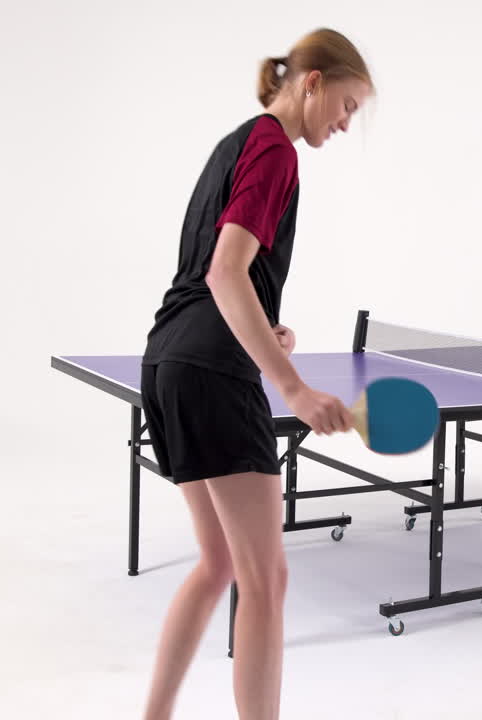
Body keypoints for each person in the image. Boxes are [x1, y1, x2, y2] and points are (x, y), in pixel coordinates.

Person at [137, 28, 372, 720]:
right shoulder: (276, 150)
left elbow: (214, 279)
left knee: (219, 565)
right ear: (312, 82)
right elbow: (224, 270)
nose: (346, 121)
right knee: (266, 578)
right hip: (211, 373)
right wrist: (292, 386)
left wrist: (265, 333)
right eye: (348, 104)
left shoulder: (237, 141)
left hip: (169, 361)